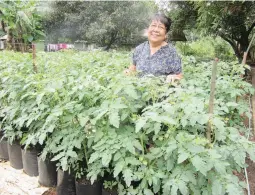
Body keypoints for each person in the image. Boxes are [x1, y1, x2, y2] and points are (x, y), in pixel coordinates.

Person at [124, 13, 182, 83]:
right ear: (148, 29)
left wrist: (174, 77)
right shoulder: (139, 49)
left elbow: (179, 76)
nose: (156, 30)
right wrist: (128, 72)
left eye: (160, 27)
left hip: (161, 92)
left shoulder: (172, 52)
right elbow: (133, 70)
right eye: (153, 25)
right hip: (140, 91)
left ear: (165, 34)